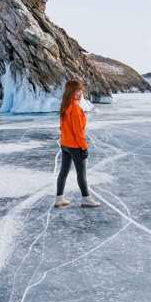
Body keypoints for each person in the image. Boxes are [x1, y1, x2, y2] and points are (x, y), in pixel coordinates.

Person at [55, 80, 101, 208]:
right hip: (74, 146)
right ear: (71, 92)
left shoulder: (65, 105)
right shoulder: (75, 108)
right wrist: (84, 147)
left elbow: (62, 128)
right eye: (77, 91)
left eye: (81, 90)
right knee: (81, 174)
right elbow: (78, 132)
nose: (80, 93)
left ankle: (59, 199)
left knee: (63, 172)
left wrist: (65, 141)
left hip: (65, 145)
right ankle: (86, 198)